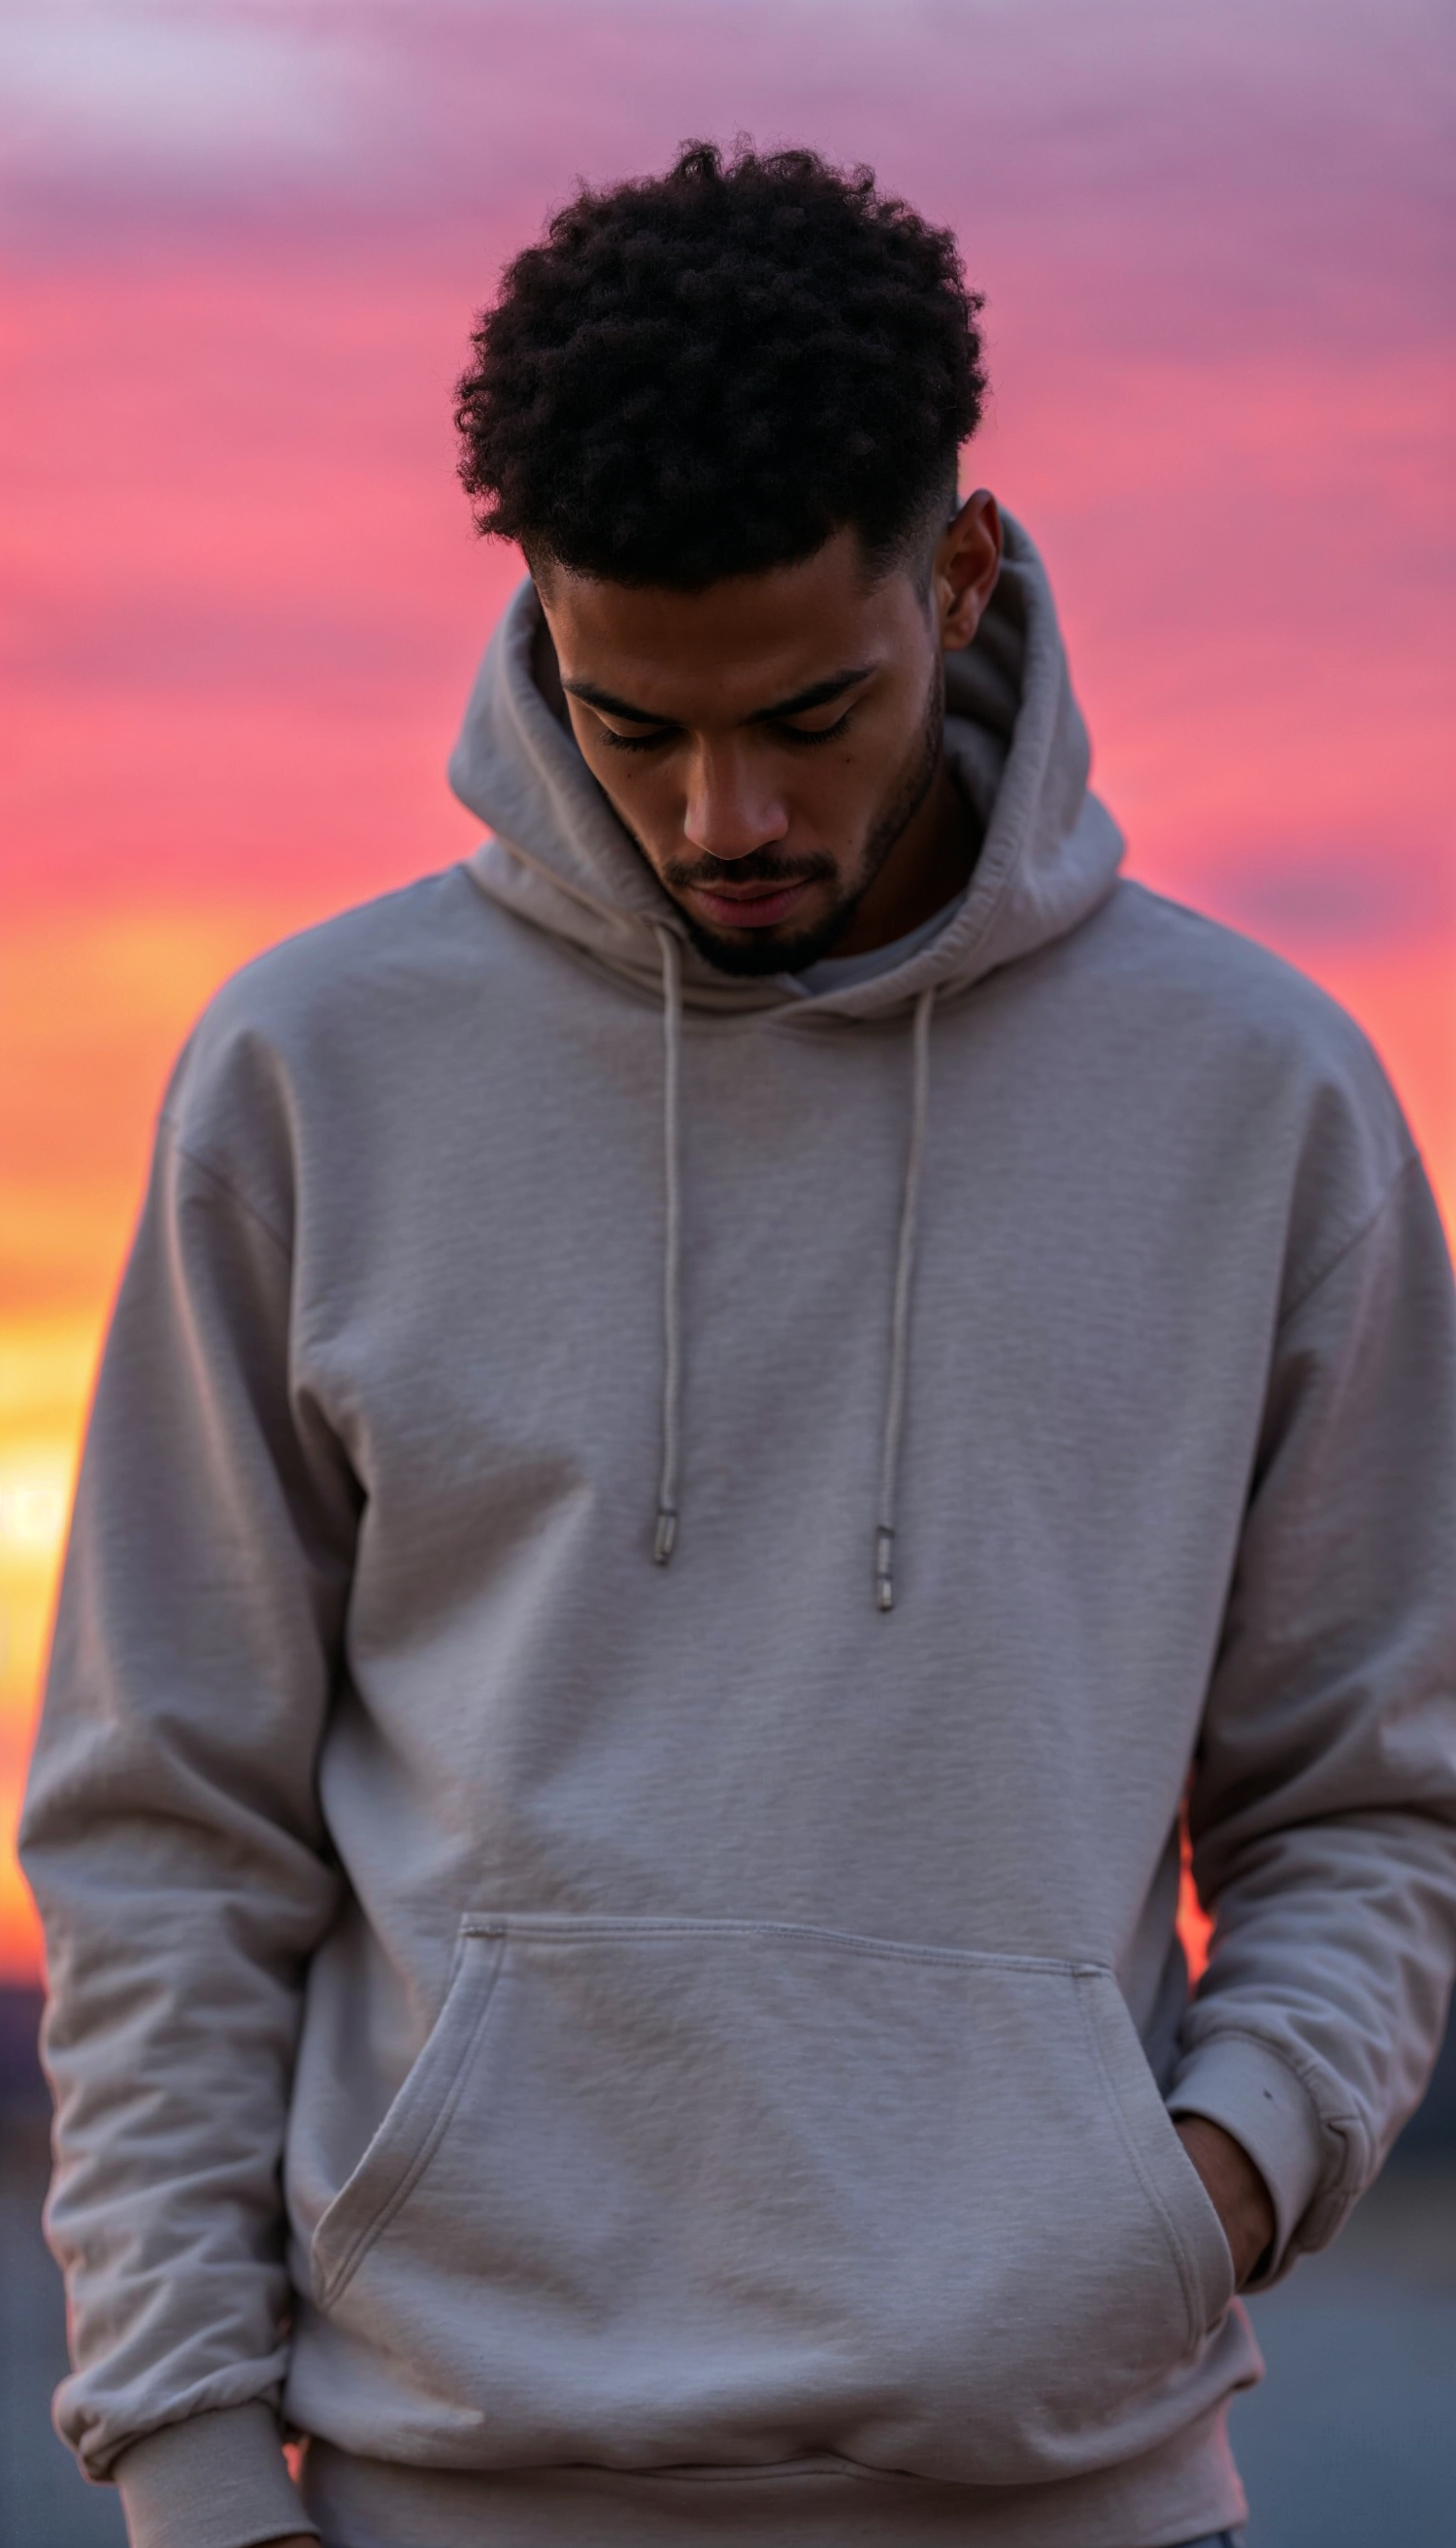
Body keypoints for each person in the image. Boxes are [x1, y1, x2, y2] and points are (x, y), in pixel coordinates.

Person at [20, 140, 1456, 2548]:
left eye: (808, 710)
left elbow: (1371, 1796)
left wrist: (1192, 2192)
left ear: (960, 579)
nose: (723, 811)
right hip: (442, 2493)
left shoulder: (1260, 1103)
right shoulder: (313, 1077)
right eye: (636, 723)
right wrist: (181, 2453)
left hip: (1075, 2494)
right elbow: (170, 1828)